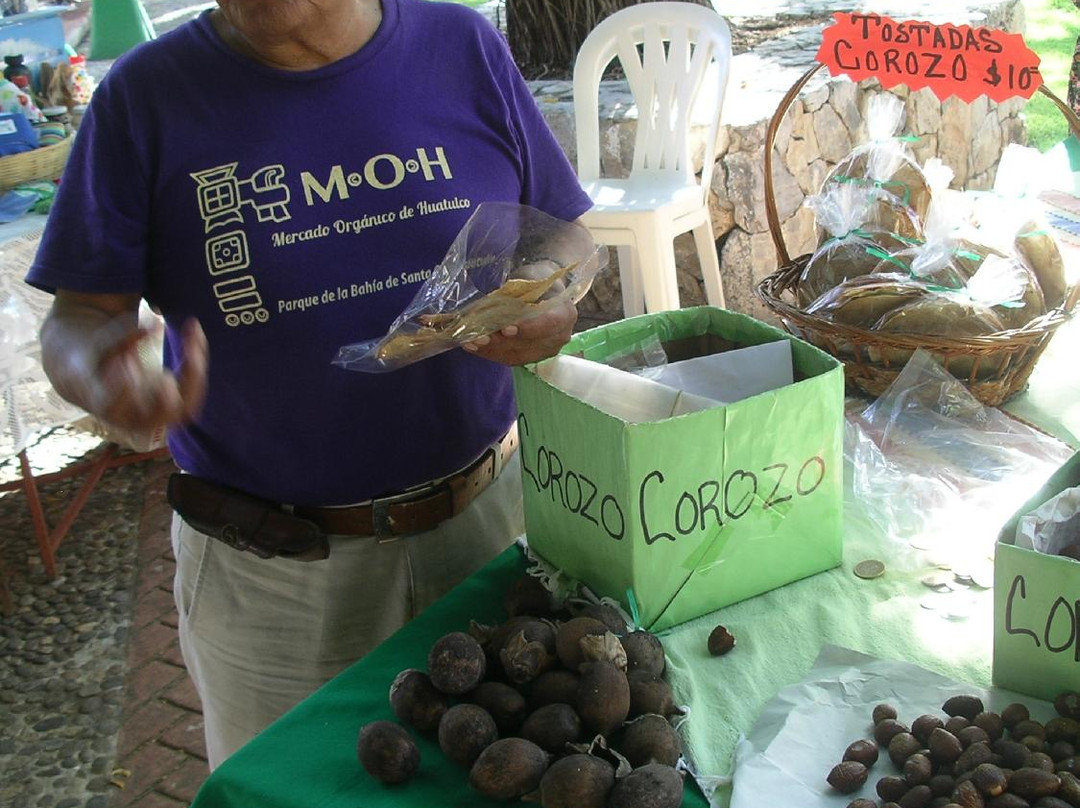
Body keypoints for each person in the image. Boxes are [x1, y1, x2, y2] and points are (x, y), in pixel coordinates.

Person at [27, 0, 594, 768]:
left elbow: (559, 236)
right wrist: (98, 370)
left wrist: (547, 303)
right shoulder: (144, 97)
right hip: (274, 577)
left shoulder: (458, 44)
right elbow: (78, 316)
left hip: (489, 531)